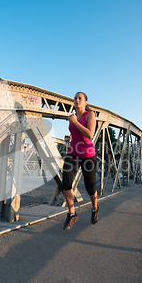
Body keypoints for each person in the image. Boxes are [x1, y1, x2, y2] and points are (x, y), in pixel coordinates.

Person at [62, 91, 99, 230]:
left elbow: (89, 134)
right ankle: (72, 213)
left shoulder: (90, 115)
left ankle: (95, 208)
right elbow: (75, 132)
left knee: (90, 186)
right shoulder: (72, 116)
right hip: (73, 153)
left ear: (85, 102)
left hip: (88, 155)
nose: (77, 100)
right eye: (75, 98)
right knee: (66, 182)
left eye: (80, 98)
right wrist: (69, 137)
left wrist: (75, 122)